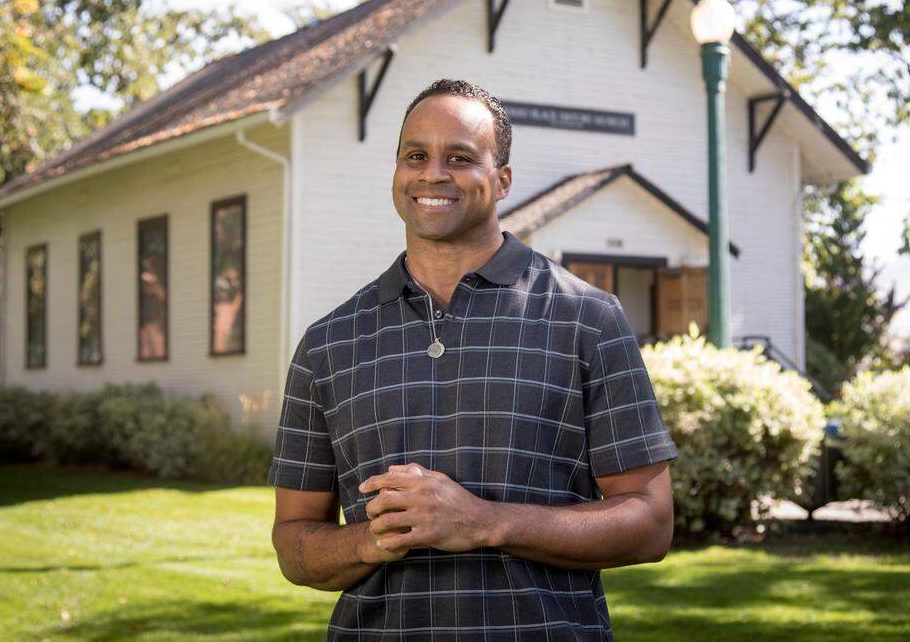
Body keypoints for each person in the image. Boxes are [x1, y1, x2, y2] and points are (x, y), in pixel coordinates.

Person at [268, 78, 679, 640]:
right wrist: (370, 539)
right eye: (416, 155)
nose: (433, 173)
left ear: (502, 178)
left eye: (459, 157)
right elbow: (294, 542)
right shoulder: (329, 342)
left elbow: (651, 525)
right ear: (396, 172)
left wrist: (486, 522)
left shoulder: (588, 319)